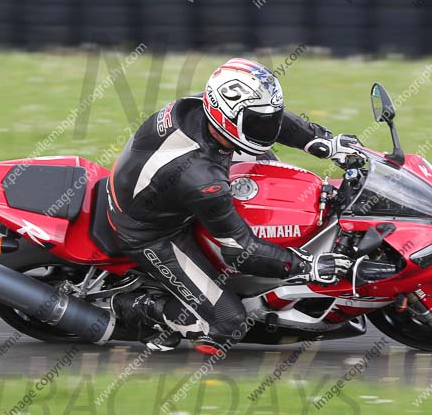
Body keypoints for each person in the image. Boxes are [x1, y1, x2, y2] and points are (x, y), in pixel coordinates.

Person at [107, 58, 361, 355]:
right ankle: (141, 310)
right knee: (229, 322)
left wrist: (322, 141)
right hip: (150, 233)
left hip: (166, 190)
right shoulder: (203, 180)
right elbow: (241, 251)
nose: (269, 128)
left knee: (272, 173)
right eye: (258, 122)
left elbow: (269, 120)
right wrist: (307, 266)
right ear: (228, 119)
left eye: (268, 118)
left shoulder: (205, 108)